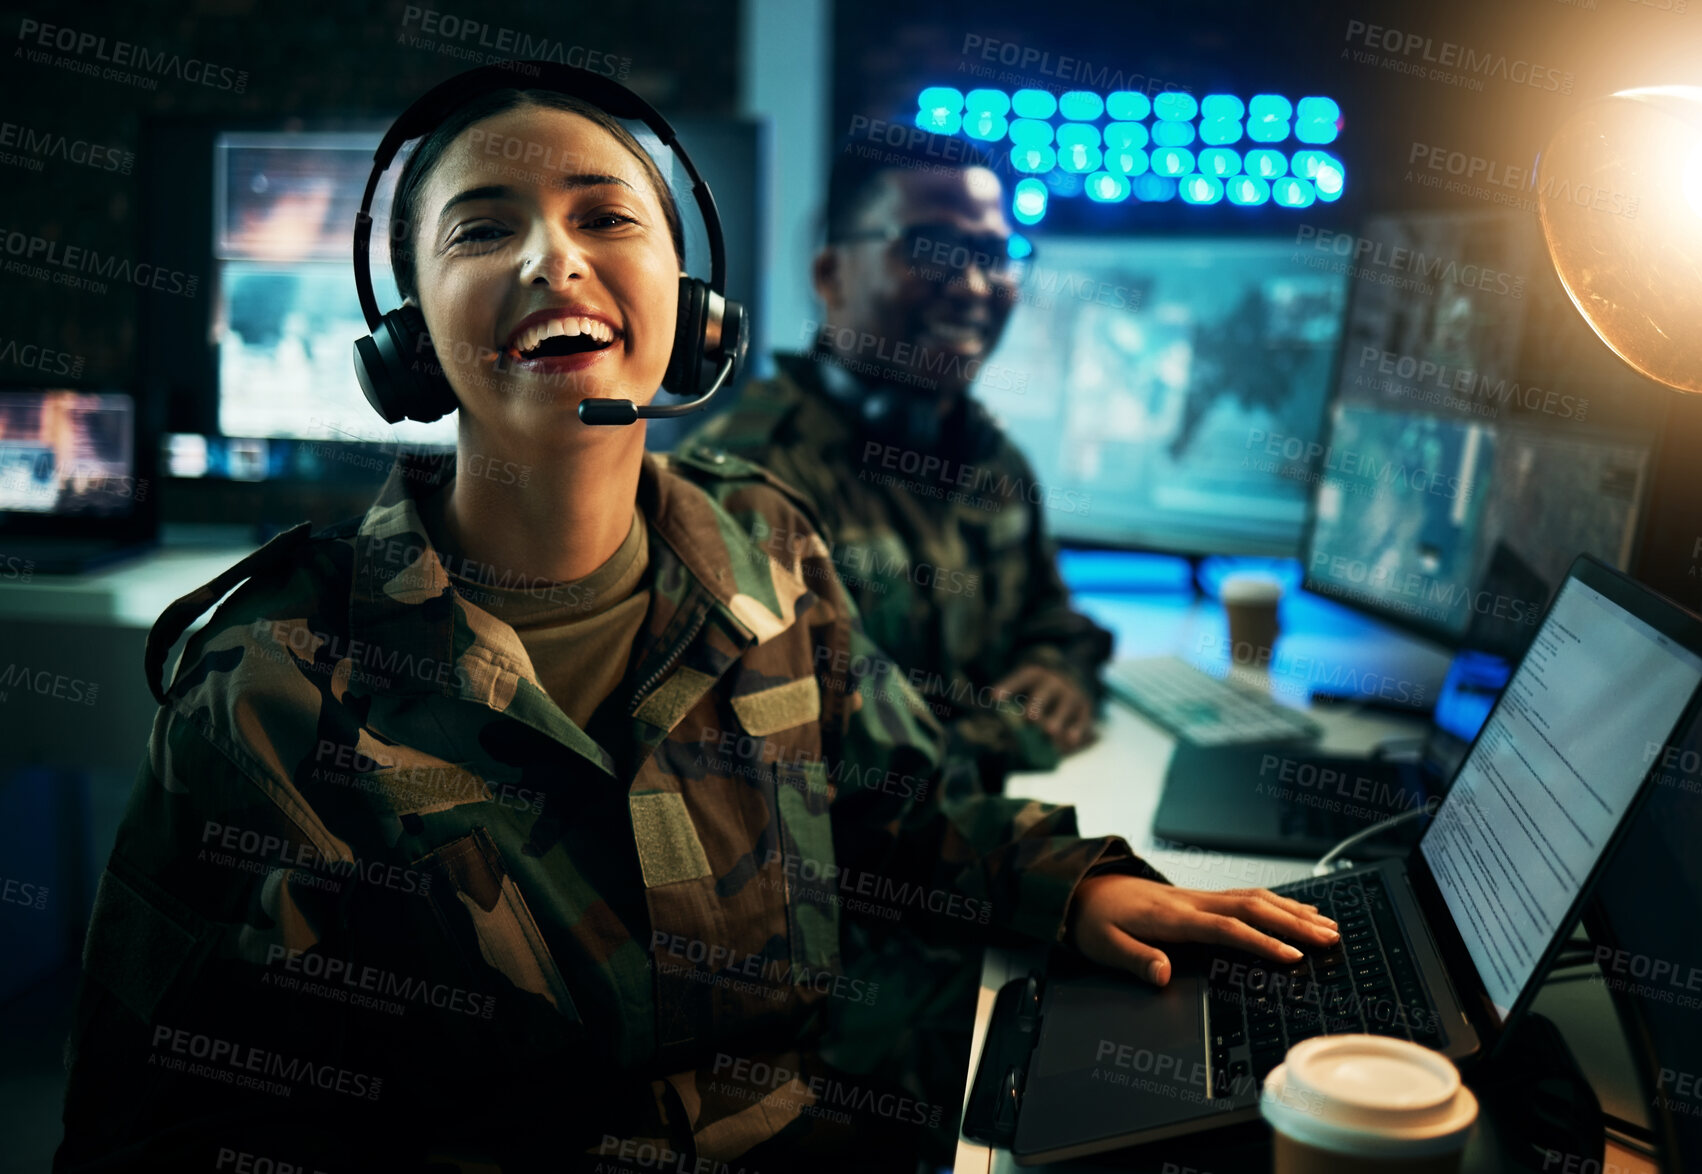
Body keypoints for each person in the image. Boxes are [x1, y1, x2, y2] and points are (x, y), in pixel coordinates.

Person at [55, 74, 1339, 1173]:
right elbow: (163, 1126)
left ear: (692, 305)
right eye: (480, 228)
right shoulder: (271, 683)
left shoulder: (766, 543)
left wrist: (1074, 884)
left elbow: (906, 802)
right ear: (406, 346)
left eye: (604, 216)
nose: (552, 259)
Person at [682, 132, 1106, 792]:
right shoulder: (742, 484)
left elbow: (1052, 618)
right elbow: (809, 756)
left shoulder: (992, 460)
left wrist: (1059, 670)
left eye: (993, 255)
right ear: (830, 275)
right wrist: (1015, 732)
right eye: (932, 250)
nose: (972, 285)